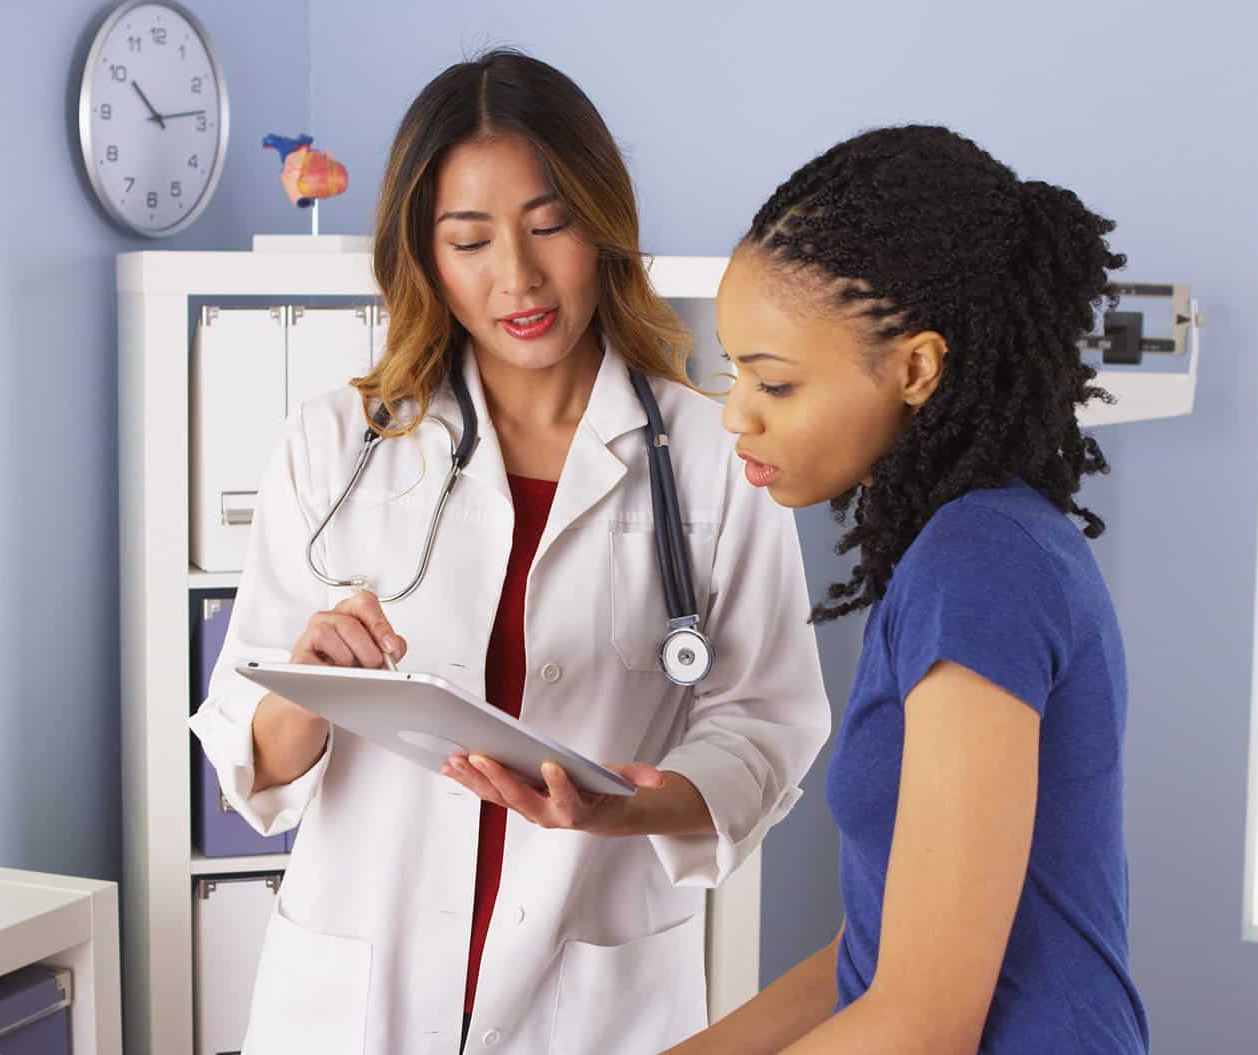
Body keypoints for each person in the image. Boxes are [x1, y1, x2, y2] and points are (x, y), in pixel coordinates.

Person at [188, 50, 830, 1054]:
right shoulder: (336, 444)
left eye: (550, 224)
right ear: (425, 254)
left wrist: (628, 809)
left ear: (602, 224)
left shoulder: (711, 455)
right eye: (470, 239)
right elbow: (250, 760)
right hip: (360, 994)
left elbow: (767, 718)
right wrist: (308, 686)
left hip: (594, 995)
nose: (517, 278)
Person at [671, 125, 1150, 1053]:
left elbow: (922, 1024)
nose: (736, 414)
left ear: (916, 368)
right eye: (733, 374)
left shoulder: (980, 562)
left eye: (774, 383)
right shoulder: (964, 548)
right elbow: (869, 957)